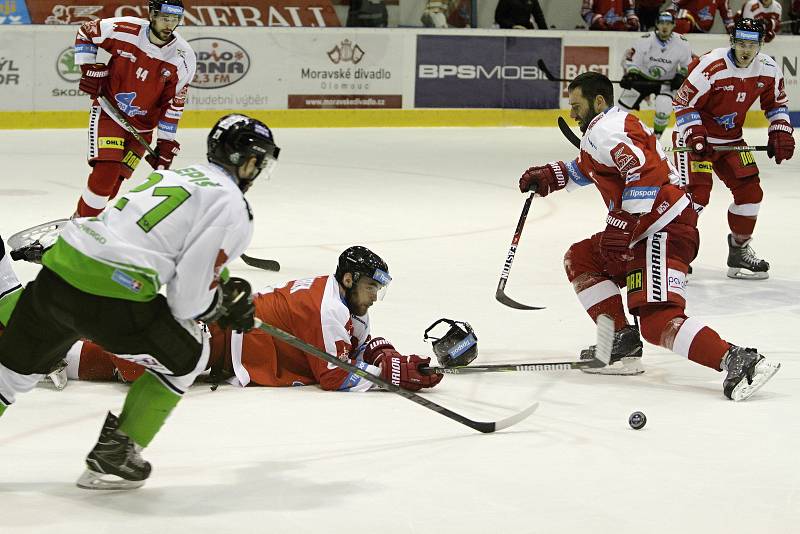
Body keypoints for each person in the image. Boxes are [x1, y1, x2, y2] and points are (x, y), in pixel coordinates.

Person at [0, 113, 280, 490]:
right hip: (112, 297)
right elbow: (187, 303)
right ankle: (115, 456)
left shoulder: (178, 175)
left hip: (58, 274)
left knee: (8, 377)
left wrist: (223, 286)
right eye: (258, 161)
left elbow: (166, 241)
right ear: (247, 161)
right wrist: (218, 306)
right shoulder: (233, 207)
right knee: (189, 356)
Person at [516, 71, 780, 401]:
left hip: (663, 228)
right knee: (582, 257)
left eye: (577, 105)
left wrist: (621, 223)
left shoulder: (607, 130)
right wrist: (552, 176)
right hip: (646, 227)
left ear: (598, 101)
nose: (572, 113)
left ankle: (738, 360)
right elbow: (592, 167)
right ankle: (620, 338)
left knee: (658, 323)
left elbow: (645, 172)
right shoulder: (607, 128)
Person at [42, 247, 444, 394]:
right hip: (225, 338)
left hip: (229, 333)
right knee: (141, 360)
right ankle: (41, 348)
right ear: (349, 279)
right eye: (372, 287)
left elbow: (350, 348)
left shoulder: (341, 299)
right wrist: (386, 376)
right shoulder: (329, 307)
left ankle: (50, 352)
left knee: (141, 354)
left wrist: (384, 352)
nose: (375, 296)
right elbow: (335, 376)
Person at [672, 18, 794, 279]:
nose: (745, 50)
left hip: (731, 140)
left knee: (751, 192)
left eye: (751, 44)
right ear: (732, 42)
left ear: (761, 44)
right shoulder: (710, 65)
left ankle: (739, 249)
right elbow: (683, 103)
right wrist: (695, 133)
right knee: (696, 195)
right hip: (695, 138)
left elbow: (777, 105)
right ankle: (674, 252)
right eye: (740, 43)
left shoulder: (769, 69)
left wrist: (781, 130)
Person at [73, 0, 196, 218]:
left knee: (112, 188)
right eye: (165, 18)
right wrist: (88, 67)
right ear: (152, 15)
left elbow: (174, 103)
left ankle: (78, 221)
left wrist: (166, 142)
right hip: (109, 112)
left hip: (143, 129)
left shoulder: (183, 58)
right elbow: (86, 32)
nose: (170, 24)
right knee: (105, 175)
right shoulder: (125, 29)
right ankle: (78, 232)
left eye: (175, 19)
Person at [618, 11, 692, 139]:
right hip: (642, 79)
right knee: (620, 110)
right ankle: (617, 135)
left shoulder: (682, 43)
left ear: (673, 25)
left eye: (668, 23)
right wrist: (631, 75)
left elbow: (687, 65)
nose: (664, 26)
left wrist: (681, 76)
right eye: (661, 23)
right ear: (656, 24)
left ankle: (655, 139)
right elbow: (632, 59)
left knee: (664, 105)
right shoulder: (645, 40)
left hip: (666, 82)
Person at [668, 0, 734, 34]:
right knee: (683, 20)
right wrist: (668, 18)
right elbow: (674, 4)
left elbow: (727, 15)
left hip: (703, 30)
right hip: (686, 21)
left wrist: (733, 30)